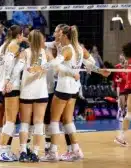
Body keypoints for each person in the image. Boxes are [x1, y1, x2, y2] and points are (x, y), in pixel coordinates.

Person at [30, 25, 108, 162]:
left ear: (65, 35)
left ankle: (52, 153)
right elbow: (90, 62)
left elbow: (55, 63)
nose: (58, 36)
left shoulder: (67, 49)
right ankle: (76, 150)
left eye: (59, 33)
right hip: (74, 89)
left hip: (63, 87)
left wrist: (40, 67)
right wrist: (98, 70)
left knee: (54, 121)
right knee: (67, 120)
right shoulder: (79, 48)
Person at [6, 30, 49, 162]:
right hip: (41, 92)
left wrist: (9, 81)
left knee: (24, 123)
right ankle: (35, 153)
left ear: (29, 40)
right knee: (38, 123)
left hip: (27, 92)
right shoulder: (46, 53)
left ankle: (23, 151)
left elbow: (17, 69)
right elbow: (56, 65)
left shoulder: (25, 53)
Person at [0, 25, 23, 162]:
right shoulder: (14, 45)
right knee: (10, 120)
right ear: (19, 35)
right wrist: (9, 80)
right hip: (12, 87)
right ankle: (2, 150)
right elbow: (10, 63)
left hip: (7, 86)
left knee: (9, 120)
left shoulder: (8, 44)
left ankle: (3, 149)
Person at [114, 54, 127, 122]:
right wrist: (117, 81)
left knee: (125, 101)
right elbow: (115, 77)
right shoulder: (117, 66)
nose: (121, 60)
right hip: (119, 85)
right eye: (120, 59)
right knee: (120, 98)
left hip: (127, 86)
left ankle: (124, 112)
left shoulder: (127, 67)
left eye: (123, 58)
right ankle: (120, 111)